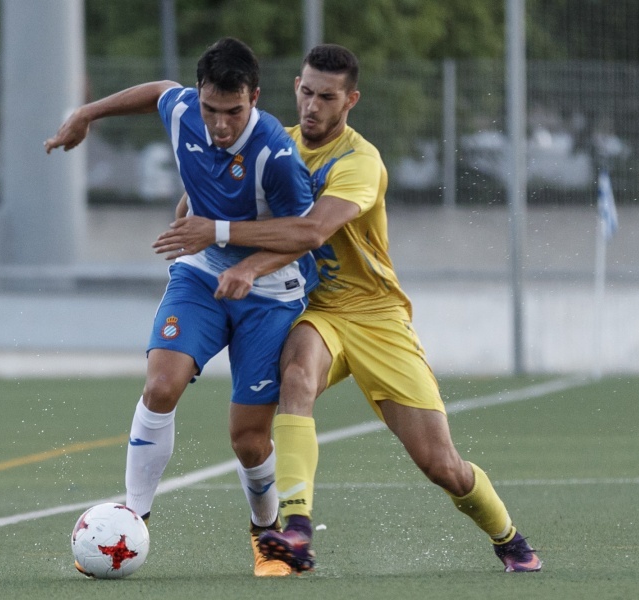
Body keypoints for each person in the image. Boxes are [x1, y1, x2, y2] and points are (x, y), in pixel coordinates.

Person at [152, 44, 542, 574]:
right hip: (318, 310)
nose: (312, 106)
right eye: (306, 92)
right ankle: (296, 529)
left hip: (377, 318)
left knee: (441, 465)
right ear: (294, 88)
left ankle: (508, 537)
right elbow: (208, 198)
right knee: (296, 374)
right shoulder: (271, 143)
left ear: (350, 100)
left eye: (327, 97)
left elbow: (312, 231)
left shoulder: (360, 161)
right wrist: (193, 226)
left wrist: (237, 254)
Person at [45, 37, 320, 577]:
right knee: (160, 384)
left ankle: (266, 533)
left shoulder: (275, 154)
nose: (220, 125)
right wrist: (87, 114)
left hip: (270, 289)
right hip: (200, 273)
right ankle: (134, 512)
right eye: (210, 109)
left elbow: (307, 234)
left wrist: (243, 261)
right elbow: (158, 93)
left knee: (247, 440)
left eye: (233, 112)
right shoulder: (183, 110)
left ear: (255, 98)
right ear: (199, 97)